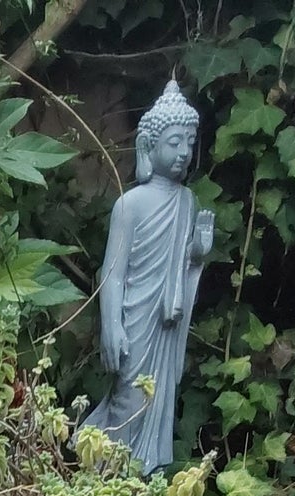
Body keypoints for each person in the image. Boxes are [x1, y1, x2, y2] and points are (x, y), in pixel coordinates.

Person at [84, 80, 214, 474]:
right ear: (149, 145)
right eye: (174, 142)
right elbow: (113, 272)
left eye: (189, 143)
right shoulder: (130, 205)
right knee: (129, 397)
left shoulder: (187, 201)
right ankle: (107, 473)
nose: (183, 153)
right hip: (136, 317)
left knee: (159, 400)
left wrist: (198, 253)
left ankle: (146, 476)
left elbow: (181, 263)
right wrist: (111, 325)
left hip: (166, 320)